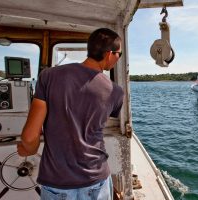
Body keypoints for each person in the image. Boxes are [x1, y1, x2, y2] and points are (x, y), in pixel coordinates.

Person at [17, 28, 124, 200]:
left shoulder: (48, 76)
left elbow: (29, 138)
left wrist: (26, 149)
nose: (118, 58)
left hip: (57, 181)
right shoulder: (116, 92)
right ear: (110, 54)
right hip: (96, 177)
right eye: (119, 54)